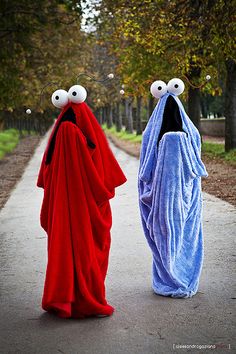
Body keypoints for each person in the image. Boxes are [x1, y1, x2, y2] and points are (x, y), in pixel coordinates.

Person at [37, 84, 126, 318]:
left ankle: (62, 296)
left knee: (64, 246)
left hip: (61, 208)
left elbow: (47, 174)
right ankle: (86, 297)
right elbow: (99, 173)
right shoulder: (79, 133)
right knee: (87, 244)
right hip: (83, 208)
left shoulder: (59, 133)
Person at [138, 78, 207, 298]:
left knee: (164, 235)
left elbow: (145, 168)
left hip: (160, 198)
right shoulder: (190, 133)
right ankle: (184, 276)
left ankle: (167, 276)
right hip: (185, 196)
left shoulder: (154, 134)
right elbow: (196, 162)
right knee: (185, 233)